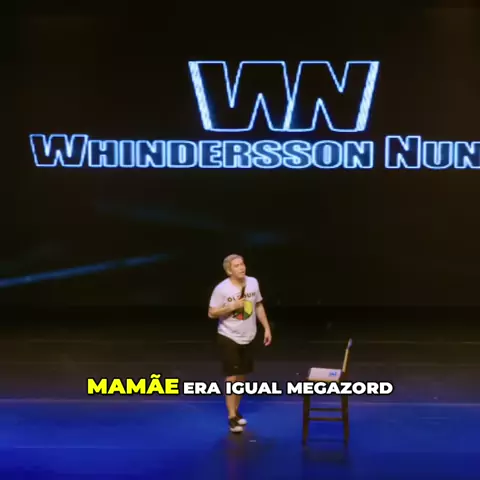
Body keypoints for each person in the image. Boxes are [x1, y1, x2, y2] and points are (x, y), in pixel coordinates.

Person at [208, 254, 272, 433]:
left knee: (242, 376)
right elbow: (211, 313)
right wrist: (231, 307)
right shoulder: (222, 289)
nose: (242, 267)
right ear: (229, 271)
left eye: (242, 264)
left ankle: (235, 411)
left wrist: (266, 328)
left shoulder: (253, 282)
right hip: (229, 335)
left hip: (248, 335)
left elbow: (258, 305)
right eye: (236, 266)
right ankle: (231, 417)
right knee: (232, 377)